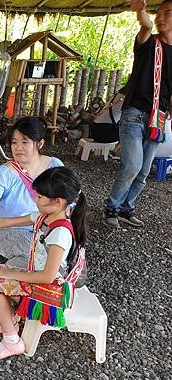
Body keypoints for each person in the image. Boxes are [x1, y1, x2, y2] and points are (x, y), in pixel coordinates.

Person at [0, 167, 86, 360]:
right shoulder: (45, 217)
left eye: (40, 197)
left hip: (50, 293)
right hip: (40, 279)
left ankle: (12, 341)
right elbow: (5, 221)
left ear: (57, 202)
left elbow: (48, 276)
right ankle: (9, 321)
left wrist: (10, 275)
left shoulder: (60, 233)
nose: (35, 200)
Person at [104, 0, 172, 228]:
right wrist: (141, 11)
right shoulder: (149, 44)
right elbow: (145, 26)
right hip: (134, 113)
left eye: (167, 13)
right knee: (132, 165)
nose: (161, 18)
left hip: (158, 118)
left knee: (143, 171)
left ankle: (126, 208)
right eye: (158, 13)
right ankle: (111, 207)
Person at [0, 117, 63, 263]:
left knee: (57, 259)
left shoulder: (55, 166)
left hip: (47, 227)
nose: (18, 147)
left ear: (40, 143)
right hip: (12, 229)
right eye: (14, 142)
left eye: (25, 142)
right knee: (37, 261)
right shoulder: (4, 173)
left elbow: (69, 200)